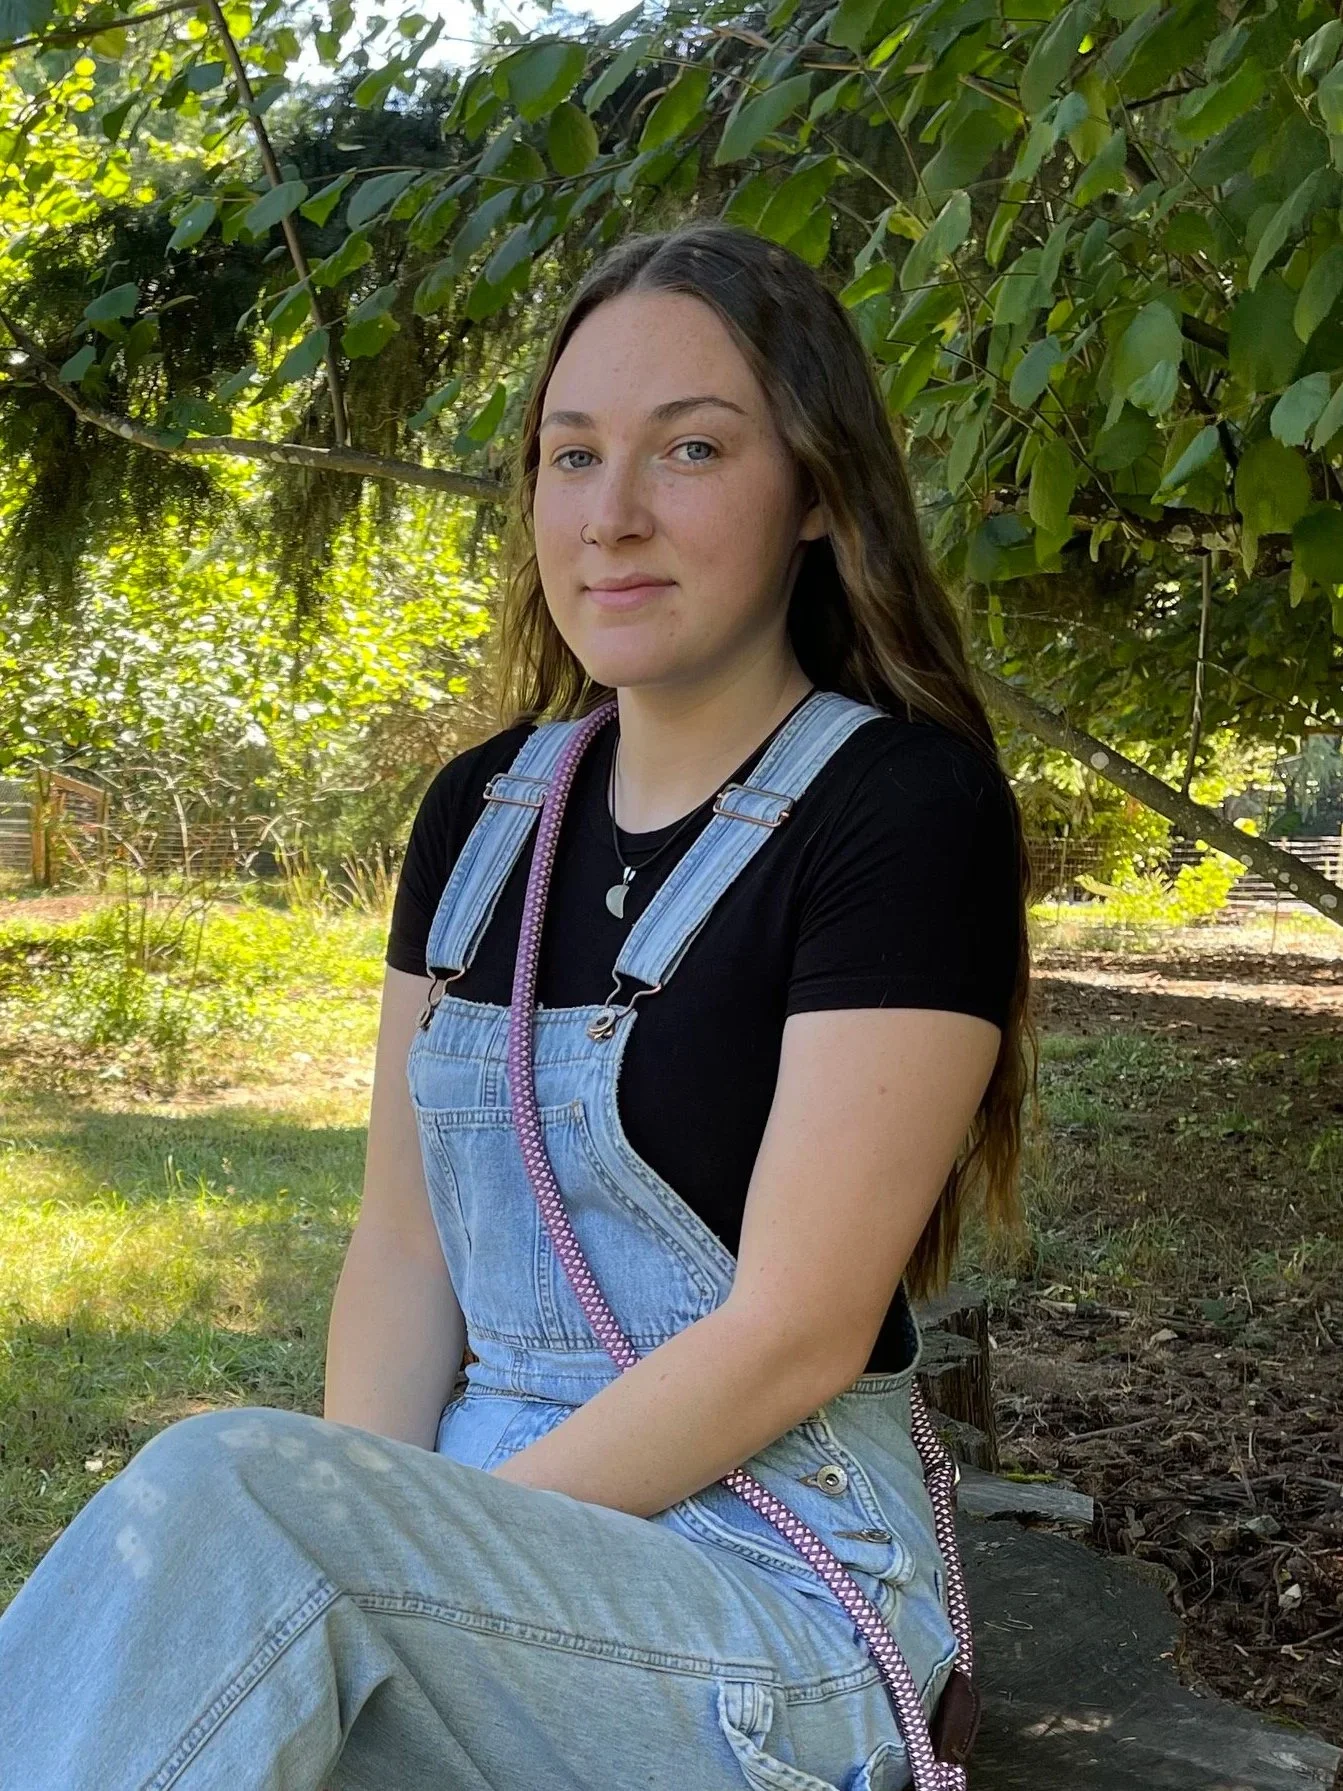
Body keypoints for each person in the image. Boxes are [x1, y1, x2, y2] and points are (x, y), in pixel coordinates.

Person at [0, 218, 1033, 1790]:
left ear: (816, 492)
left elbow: (793, 1331)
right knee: (229, 1565)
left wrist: (378, 1553)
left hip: (777, 1599)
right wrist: (380, 1544)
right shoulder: (479, 814)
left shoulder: (901, 812)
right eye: (570, 455)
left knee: (233, 1492)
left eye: (689, 449)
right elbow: (403, 1245)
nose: (610, 516)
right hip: (479, 1572)